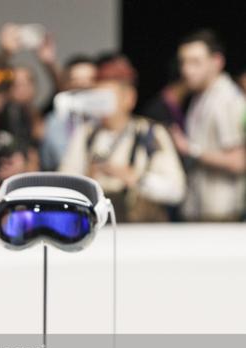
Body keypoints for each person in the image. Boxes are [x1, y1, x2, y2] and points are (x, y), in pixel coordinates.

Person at [59, 54, 186, 222]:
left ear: (129, 98)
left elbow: (176, 191)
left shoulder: (150, 133)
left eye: (107, 98)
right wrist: (88, 180)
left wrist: (135, 177)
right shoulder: (85, 135)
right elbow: (64, 186)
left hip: (143, 229)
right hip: (97, 227)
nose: (102, 105)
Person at [170, 29, 246, 221]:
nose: (187, 69)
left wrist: (189, 149)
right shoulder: (202, 95)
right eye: (183, 62)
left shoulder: (227, 99)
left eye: (196, 62)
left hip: (221, 214)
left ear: (217, 62)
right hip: (202, 209)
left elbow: (238, 161)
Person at [40, 54, 97, 170]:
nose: (83, 85)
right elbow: (49, 160)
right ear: (66, 84)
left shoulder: (109, 120)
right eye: (76, 80)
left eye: (89, 79)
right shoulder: (54, 121)